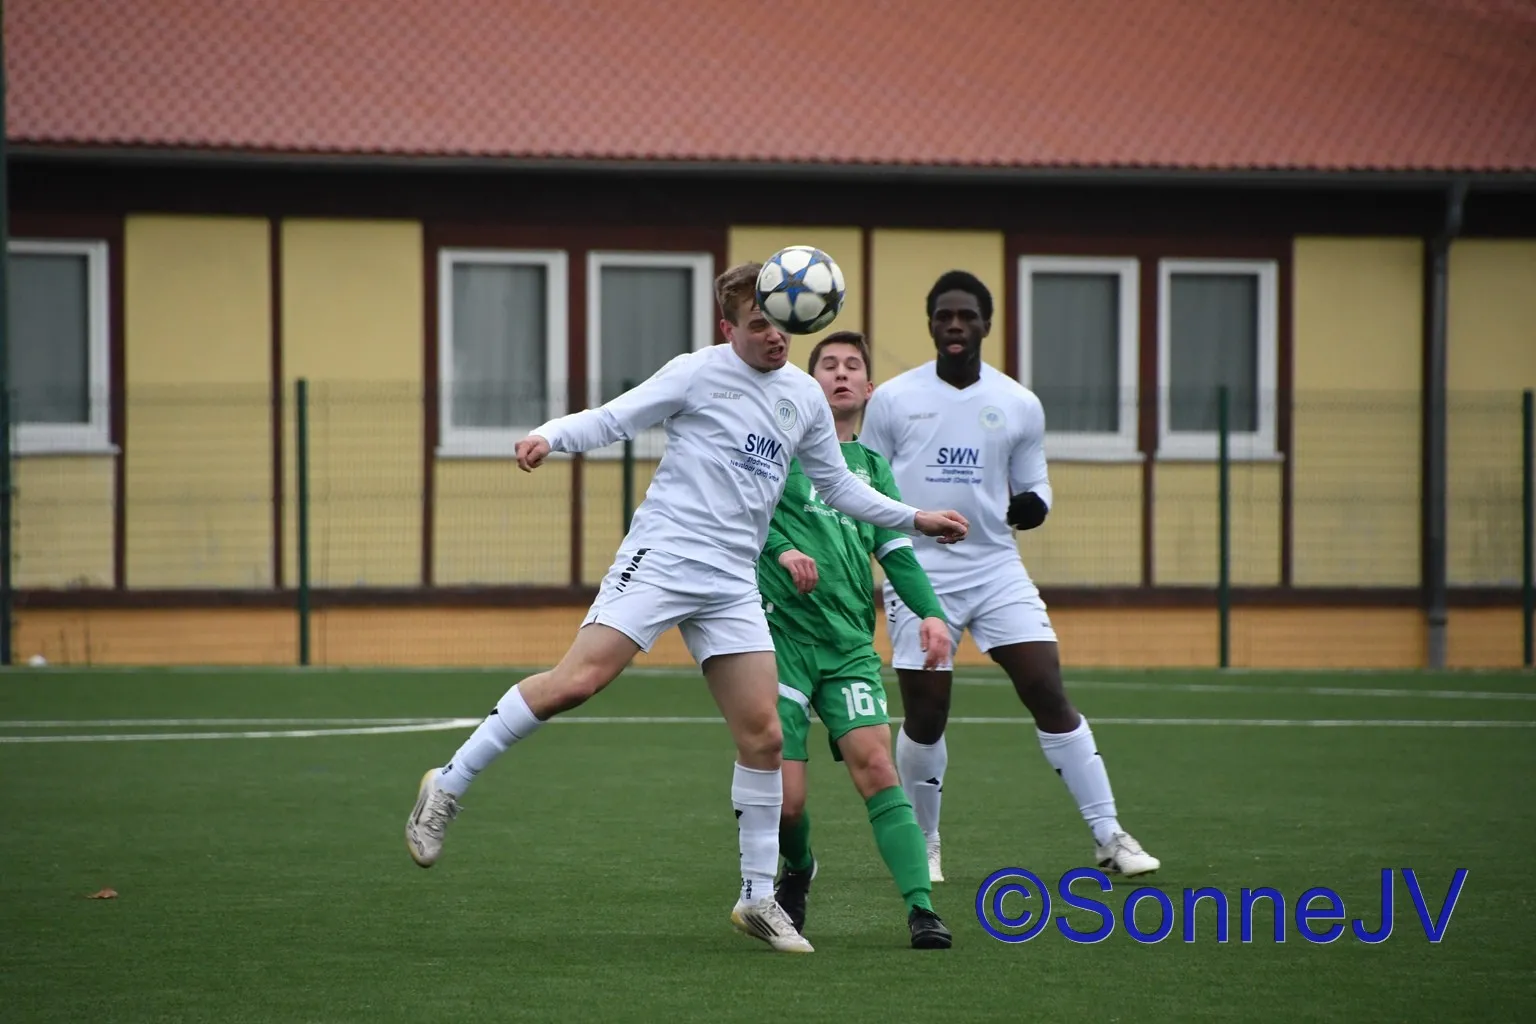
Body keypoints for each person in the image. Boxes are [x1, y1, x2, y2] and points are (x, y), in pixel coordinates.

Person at [404, 262, 970, 955]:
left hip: (732, 581)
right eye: (758, 324)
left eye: (781, 323)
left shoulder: (802, 395)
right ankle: (448, 784)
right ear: (729, 327)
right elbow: (614, 417)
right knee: (577, 682)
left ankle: (757, 897)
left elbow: (838, 487)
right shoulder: (698, 372)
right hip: (665, 558)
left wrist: (915, 518)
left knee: (763, 736)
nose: (775, 336)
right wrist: (551, 435)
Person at [859, 269, 1160, 885]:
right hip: (920, 570)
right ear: (930, 324)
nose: (955, 325)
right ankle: (924, 842)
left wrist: (1035, 505)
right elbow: (865, 482)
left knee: (1045, 686)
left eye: (967, 316)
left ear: (986, 325)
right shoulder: (892, 399)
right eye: (944, 315)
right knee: (926, 712)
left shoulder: (1018, 403)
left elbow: (1035, 483)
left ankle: (1109, 835)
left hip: (996, 567)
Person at [757, 330, 954, 951]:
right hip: (781, 641)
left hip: (848, 648)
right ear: (806, 382)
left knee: (876, 767)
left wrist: (930, 615)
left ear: (868, 389)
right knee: (787, 802)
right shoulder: (776, 453)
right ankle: (799, 867)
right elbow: (742, 521)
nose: (840, 374)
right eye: (828, 365)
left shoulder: (872, 469)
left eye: (852, 367)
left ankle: (921, 909)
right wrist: (782, 549)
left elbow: (897, 552)